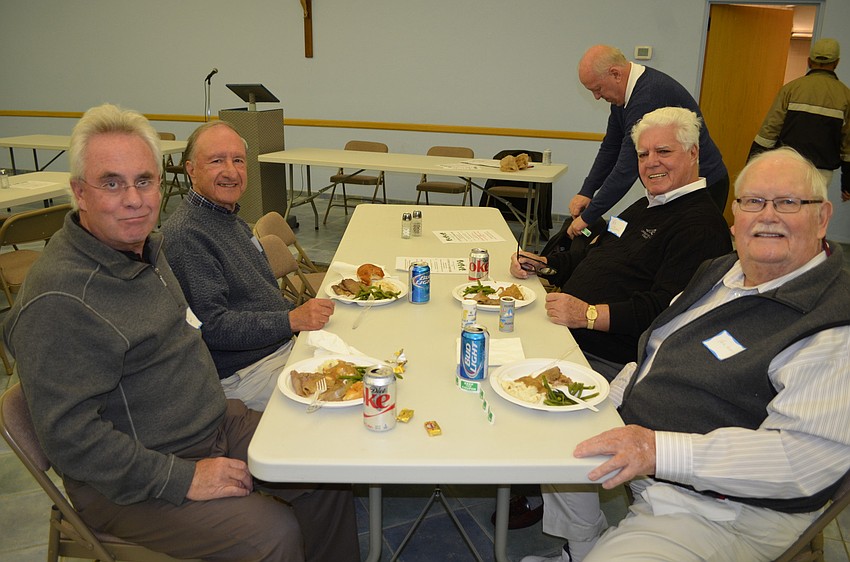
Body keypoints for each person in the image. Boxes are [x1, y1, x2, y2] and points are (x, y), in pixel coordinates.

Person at [2, 104, 359, 562]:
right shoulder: (58, 299)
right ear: (80, 193)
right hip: (132, 481)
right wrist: (183, 478)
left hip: (211, 424)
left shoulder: (148, 249)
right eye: (112, 183)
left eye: (144, 181)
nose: (134, 199)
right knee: (271, 532)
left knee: (325, 467)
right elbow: (73, 441)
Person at [524, 147, 850, 562]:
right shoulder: (720, 272)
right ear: (736, 218)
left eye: (787, 202)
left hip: (722, 508)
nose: (768, 215)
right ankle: (583, 546)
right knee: (555, 428)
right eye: (752, 202)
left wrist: (657, 449)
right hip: (655, 455)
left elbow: (801, 462)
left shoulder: (833, 323)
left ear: (822, 217)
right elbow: (654, 350)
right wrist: (603, 405)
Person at [512, 107, 732, 379]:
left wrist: (587, 315)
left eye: (663, 152)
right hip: (566, 330)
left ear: (693, 153)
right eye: (643, 154)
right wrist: (542, 264)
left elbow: (666, 309)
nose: (651, 162)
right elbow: (595, 254)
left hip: (605, 356)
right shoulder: (646, 205)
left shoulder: (701, 227)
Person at [161, 121, 335, 411]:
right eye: (217, 161)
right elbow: (212, 327)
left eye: (238, 160)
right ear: (190, 169)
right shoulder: (187, 236)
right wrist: (291, 320)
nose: (231, 171)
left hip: (277, 350)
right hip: (244, 375)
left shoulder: (230, 220)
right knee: (347, 409)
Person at [566, 44, 729, 239]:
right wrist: (587, 191)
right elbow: (610, 148)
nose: (597, 96)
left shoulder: (647, 96)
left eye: (598, 89)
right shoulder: (624, 97)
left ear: (616, 74)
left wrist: (587, 217)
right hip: (674, 188)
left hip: (703, 186)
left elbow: (626, 170)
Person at [748, 38, 850, 202]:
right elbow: (848, 146)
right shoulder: (845, 96)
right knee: (811, 217)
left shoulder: (791, 89)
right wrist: (847, 184)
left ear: (809, 61)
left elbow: (768, 132)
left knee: (783, 211)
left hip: (787, 166)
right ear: (836, 63)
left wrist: (752, 168)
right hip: (821, 174)